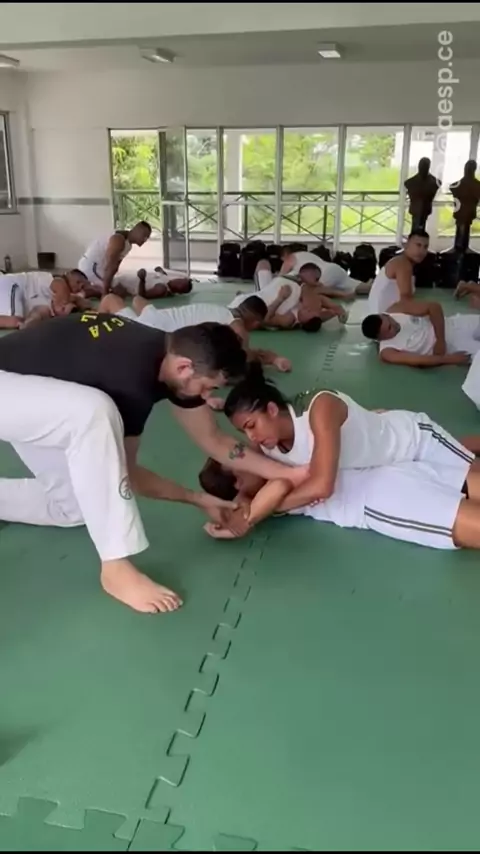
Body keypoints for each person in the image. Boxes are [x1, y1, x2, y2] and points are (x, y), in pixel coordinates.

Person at [0, 314, 307, 614]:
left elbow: (215, 441)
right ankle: (115, 566)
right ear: (184, 367)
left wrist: (291, 474)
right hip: (10, 385)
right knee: (92, 413)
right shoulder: (130, 376)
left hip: (32, 394)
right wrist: (196, 499)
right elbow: (126, 474)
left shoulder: (171, 360)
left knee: (76, 507)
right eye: (207, 387)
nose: (207, 397)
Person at [219, 368, 477, 506]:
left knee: (473, 475)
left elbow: (322, 486)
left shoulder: (318, 407)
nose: (251, 437)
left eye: (251, 425)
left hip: (414, 440)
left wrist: (268, 508)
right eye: (244, 432)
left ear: (272, 410)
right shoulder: (267, 444)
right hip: (387, 463)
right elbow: (246, 485)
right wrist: (241, 505)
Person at [199, 455, 480, 553]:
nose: (249, 456)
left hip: (390, 465)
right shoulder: (261, 499)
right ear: (239, 483)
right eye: (240, 463)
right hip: (380, 497)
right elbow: (280, 485)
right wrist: (237, 523)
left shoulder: (271, 455)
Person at [99, 292, 292, 373]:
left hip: (156, 316)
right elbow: (244, 358)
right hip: (153, 332)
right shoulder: (238, 327)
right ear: (256, 322)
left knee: (111, 299)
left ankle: (95, 330)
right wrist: (273, 358)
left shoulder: (219, 309)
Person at [78, 222, 187, 298]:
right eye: (144, 236)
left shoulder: (128, 245)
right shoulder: (118, 240)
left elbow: (115, 266)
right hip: (92, 267)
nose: (145, 240)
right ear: (136, 231)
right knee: (111, 292)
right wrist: (106, 291)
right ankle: (81, 294)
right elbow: (110, 266)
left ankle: (87, 291)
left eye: (147, 238)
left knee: (119, 291)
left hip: (100, 268)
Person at [231, 260, 346, 332]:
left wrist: (280, 298)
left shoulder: (289, 319)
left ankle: (249, 294)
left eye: (308, 312)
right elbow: (322, 302)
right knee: (264, 263)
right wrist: (336, 310)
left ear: (303, 322)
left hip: (258, 301)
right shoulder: (308, 304)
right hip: (271, 290)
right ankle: (250, 294)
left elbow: (265, 319)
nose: (308, 309)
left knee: (263, 264)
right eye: (311, 310)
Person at [361, 301, 475, 367]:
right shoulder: (387, 352)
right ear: (380, 338)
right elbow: (419, 360)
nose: (394, 325)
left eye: (389, 320)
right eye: (389, 329)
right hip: (453, 346)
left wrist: (440, 340)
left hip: (452, 324)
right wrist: (448, 359)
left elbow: (433, 307)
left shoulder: (395, 309)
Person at [0, 268, 90, 329]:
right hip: (11, 285)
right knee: (15, 321)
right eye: (78, 282)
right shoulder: (60, 282)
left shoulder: (51, 297)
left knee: (24, 320)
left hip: (16, 291)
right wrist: (77, 302)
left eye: (82, 286)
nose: (78, 287)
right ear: (68, 275)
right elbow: (59, 308)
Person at [367, 229, 429, 315]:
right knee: (433, 308)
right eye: (418, 245)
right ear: (406, 245)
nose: (422, 251)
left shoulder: (402, 262)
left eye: (425, 247)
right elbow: (406, 301)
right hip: (383, 317)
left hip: (379, 313)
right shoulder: (402, 263)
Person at [280, 246, 368, 298]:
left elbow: (281, 277)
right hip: (334, 268)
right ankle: (371, 287)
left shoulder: (289, 259)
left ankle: (342, 294)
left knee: (311, 290)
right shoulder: (305, 254)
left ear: (285, 255)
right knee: (354, 285)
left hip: (323, 275)